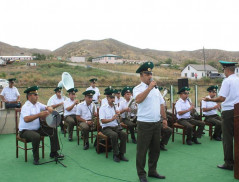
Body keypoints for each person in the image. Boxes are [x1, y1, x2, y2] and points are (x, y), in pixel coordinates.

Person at [133, 62, 166, 182]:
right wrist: (149, 88)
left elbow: (161, 104)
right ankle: (141, 174)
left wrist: (165, 119)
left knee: (155, 149)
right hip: (144, 124)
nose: (149, 75)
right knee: (142, 150)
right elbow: (138, 100)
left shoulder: (156, 90)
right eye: (147, 74)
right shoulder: (138, 89)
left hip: (156, 123)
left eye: (150, 73)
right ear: (141, 75)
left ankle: (152, 171)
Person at [203, 60, 239, 171]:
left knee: (227, 138)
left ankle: (229, 163)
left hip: (228, 112)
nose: (223, 72)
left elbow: (222, 98)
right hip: (238, 111)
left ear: (227, 70)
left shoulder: (227, 81)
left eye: (223, 70)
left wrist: (210, 99)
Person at [19, 86, 63, 165]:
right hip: (25, 131)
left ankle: (54, 152)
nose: (37, 96)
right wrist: (39, 114)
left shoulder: (37, 104)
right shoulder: (26, 107)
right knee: (36, 136)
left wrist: (49, 108)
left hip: (37, 129)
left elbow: (47, 107)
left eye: (37, 94)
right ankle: (36, 158)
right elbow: (26, 119)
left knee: (53, 130)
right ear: (29, 96)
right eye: (35, 95)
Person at [99, 89, 128, 163]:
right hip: (106, 127)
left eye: (113, 98)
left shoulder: (115, 107)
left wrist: (118, 116)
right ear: (108, 98)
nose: (112, 100)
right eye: (111, 98)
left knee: (124, 134)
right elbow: (102, 121)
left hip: (115, 126)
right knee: (114, 135)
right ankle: (115, 154)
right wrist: (112, 119)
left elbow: (119, 118)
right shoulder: (103, 108)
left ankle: (121, 154)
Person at [158, 87, 172, 151]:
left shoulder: (160, 99)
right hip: (151, 122)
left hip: (159, 121)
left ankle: (162, 144)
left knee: (169, 130)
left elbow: (164, 110)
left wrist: (164, 119)